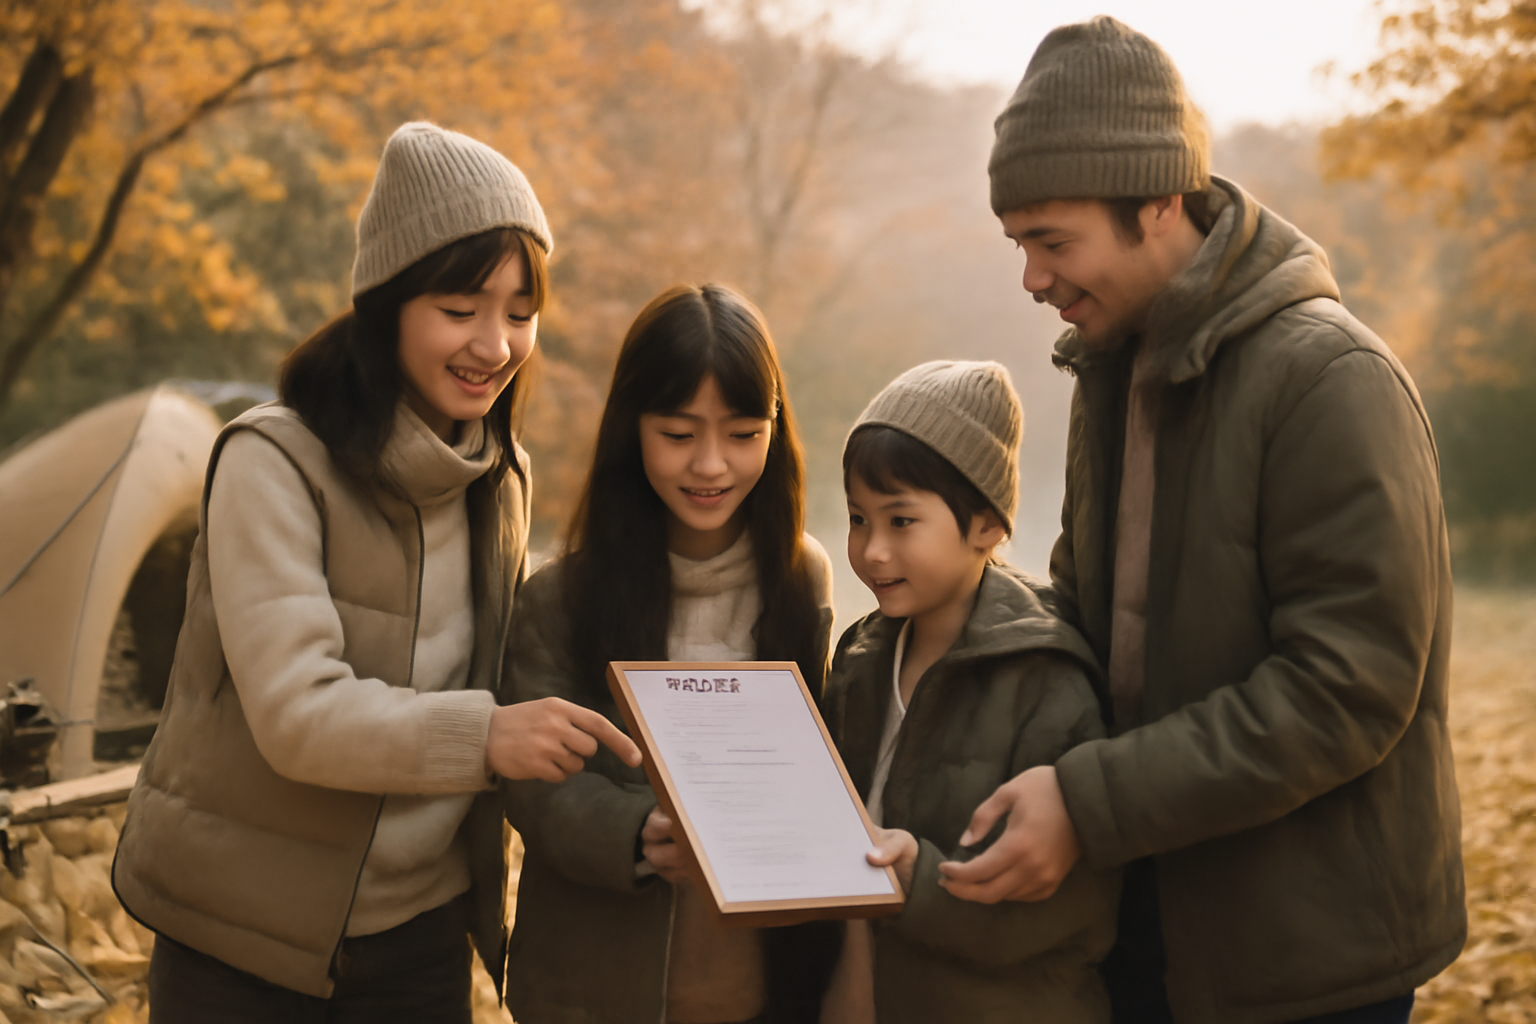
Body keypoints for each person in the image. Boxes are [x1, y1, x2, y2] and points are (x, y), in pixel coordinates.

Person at [935, 17, 1466, 1024]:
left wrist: (1088, 805)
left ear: (1161, 203)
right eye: (1019, 244)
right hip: (1143, 925)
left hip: (1306, 959)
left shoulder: (1329, 380)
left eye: (1054, 242)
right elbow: (1091, 616)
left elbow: (1344, 688)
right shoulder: (1111, 369)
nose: (1033, 279)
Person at [112, 122, 640, 1023]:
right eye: (461, 306)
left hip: (419, 938)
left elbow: (510, 664)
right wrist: (487, 737)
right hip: (240, 937)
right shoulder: (273, 462)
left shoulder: (497, 476)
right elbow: (296, 714)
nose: (497, 344)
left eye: (520, 311)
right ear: (388, 300)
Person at [503, 282, 838, 1024]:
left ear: (776, 432)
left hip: (757, 982)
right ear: (633, 429)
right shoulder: (562, 596)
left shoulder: (801, 575)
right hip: (595, 986)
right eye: (680, 435)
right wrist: (634, 834)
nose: (711, 466)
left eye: (744, 434)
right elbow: (535, 788)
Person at [819, 361, 1119, 1024]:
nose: (870, 551)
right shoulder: (863, 654)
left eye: (901, 521)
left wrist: (917, 884)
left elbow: (1068, 910)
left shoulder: (1045, 676)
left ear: (986, 524)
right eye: (858, 518)